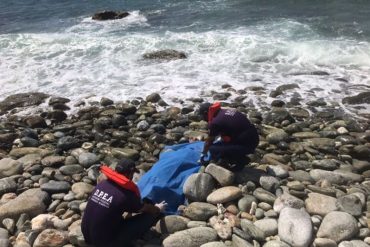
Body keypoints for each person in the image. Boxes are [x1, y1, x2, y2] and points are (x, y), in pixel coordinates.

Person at [81, 158, 167, 247]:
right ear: (130, 173)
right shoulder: (126, 195)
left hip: (87, 236)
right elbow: (146, 209)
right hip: (106, 243)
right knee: (149, 215)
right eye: (133, 174)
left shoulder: (102, 184)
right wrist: (157, 208)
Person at [199, 102, 259, 171]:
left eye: (203, 116)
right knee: (220, 145)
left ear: (206, 113)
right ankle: (237, 155)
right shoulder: (224, 111)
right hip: (252, 139)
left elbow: (208, 143)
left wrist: (203, 154)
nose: (203, 119)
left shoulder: (215, 122)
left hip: (248, 145)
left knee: (213, 149)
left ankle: (241, 160)